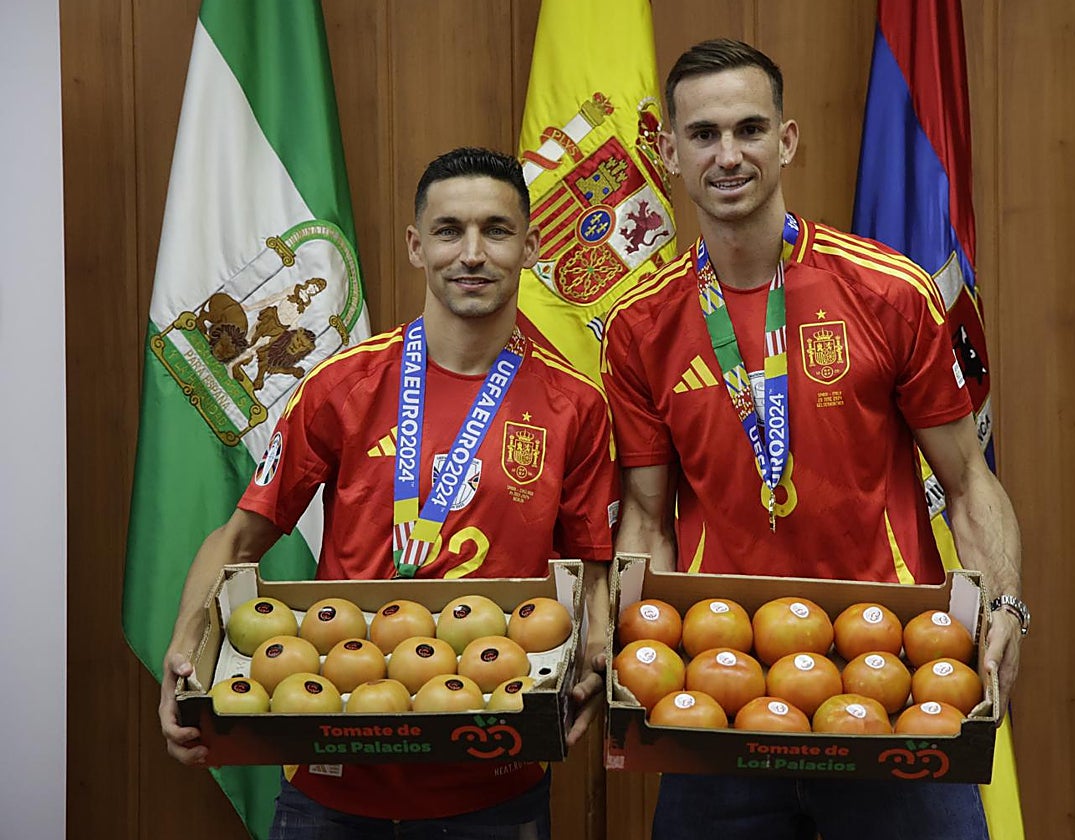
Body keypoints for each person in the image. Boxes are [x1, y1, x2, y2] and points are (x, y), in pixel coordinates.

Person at [600, 39, 1025, 840]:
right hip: (716, 687)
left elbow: (969, 483)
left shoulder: (888, 292)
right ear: (668, 151)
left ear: (786, 140)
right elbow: (648, 519)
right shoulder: (638, 325)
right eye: (703, 135)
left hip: (894, 678)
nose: (728, 155)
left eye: (750, 129)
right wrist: (633, 644)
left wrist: (1004, 604)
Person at [159, 147, 618, 840]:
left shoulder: (574, 404)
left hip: (496, 779)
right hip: (334, 775)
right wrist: (184, 651)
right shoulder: (343, 385)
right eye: (448, 231)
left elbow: (594, 567)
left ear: (531, 246)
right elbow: (238, 538)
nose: (471, 253)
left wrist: (597, 646)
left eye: (495, 231)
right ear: (415, 245)